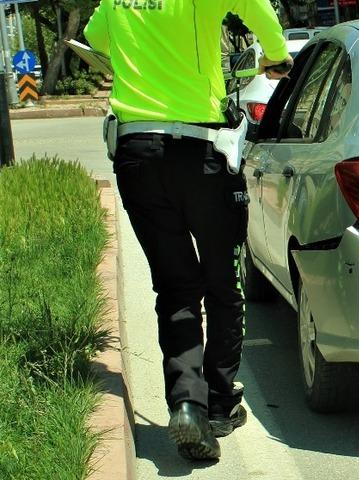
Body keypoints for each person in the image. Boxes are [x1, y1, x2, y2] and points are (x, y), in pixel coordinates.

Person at [83, 0, 292, 461]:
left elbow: (97, 38)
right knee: (223, 280)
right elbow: (260, 11)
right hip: (202, 153)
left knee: (176, 287)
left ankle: (186, 404)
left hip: (136, 153)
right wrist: (275, 55)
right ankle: (218, 404)